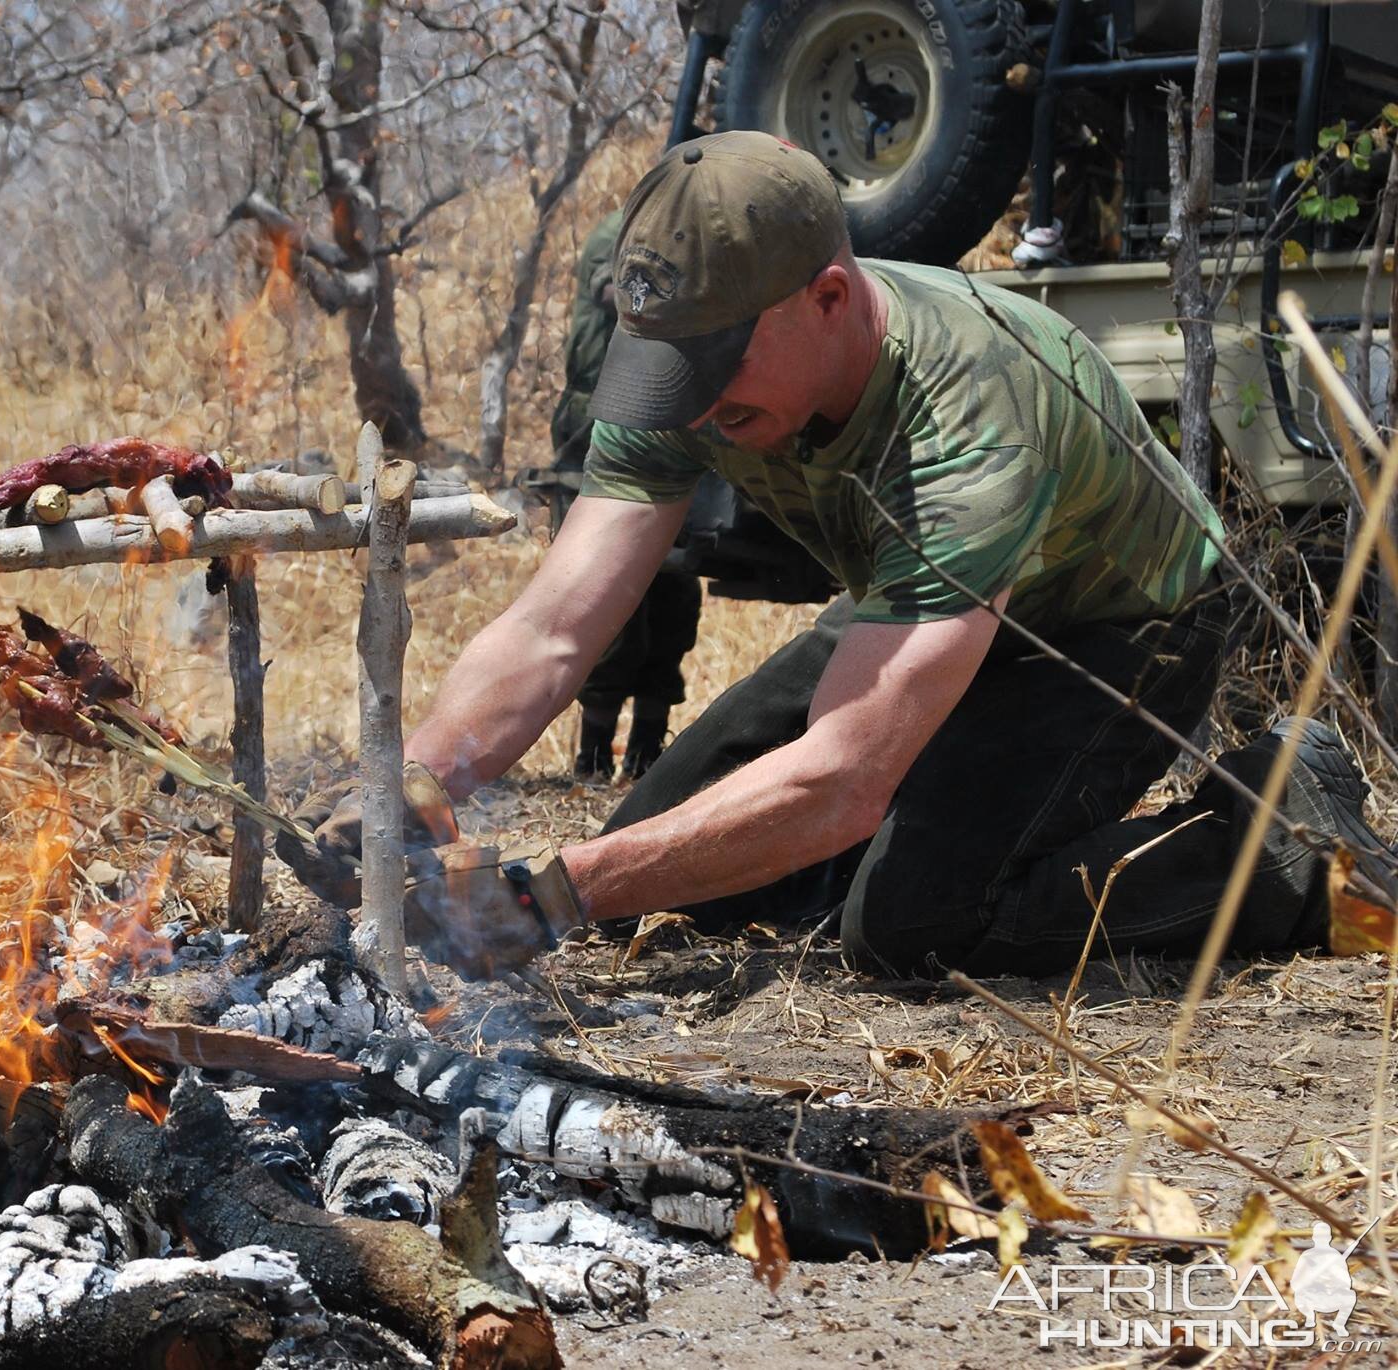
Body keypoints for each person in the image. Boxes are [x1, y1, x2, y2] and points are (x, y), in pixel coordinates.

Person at [282, 130, 1394, 982]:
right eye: (674, 371)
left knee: (914, 920)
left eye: (718, 368)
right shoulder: (685, 351)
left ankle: (1281, 842)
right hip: (916, 604)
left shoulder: (970, 404)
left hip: (1111, 624)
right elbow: (556, 621)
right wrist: (413, 778)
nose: (696, 407)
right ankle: (913, 841)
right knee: (668, 867)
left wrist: (551, 897)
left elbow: (840, 779)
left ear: (827, 295)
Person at [548, 207, 702, 781]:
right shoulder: (623, 233)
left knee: (674, 595)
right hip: (600, 421)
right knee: (609, 599)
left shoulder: (693, 239)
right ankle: (591, 758)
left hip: (672, 418)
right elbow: (621, 292)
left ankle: (646, 755)